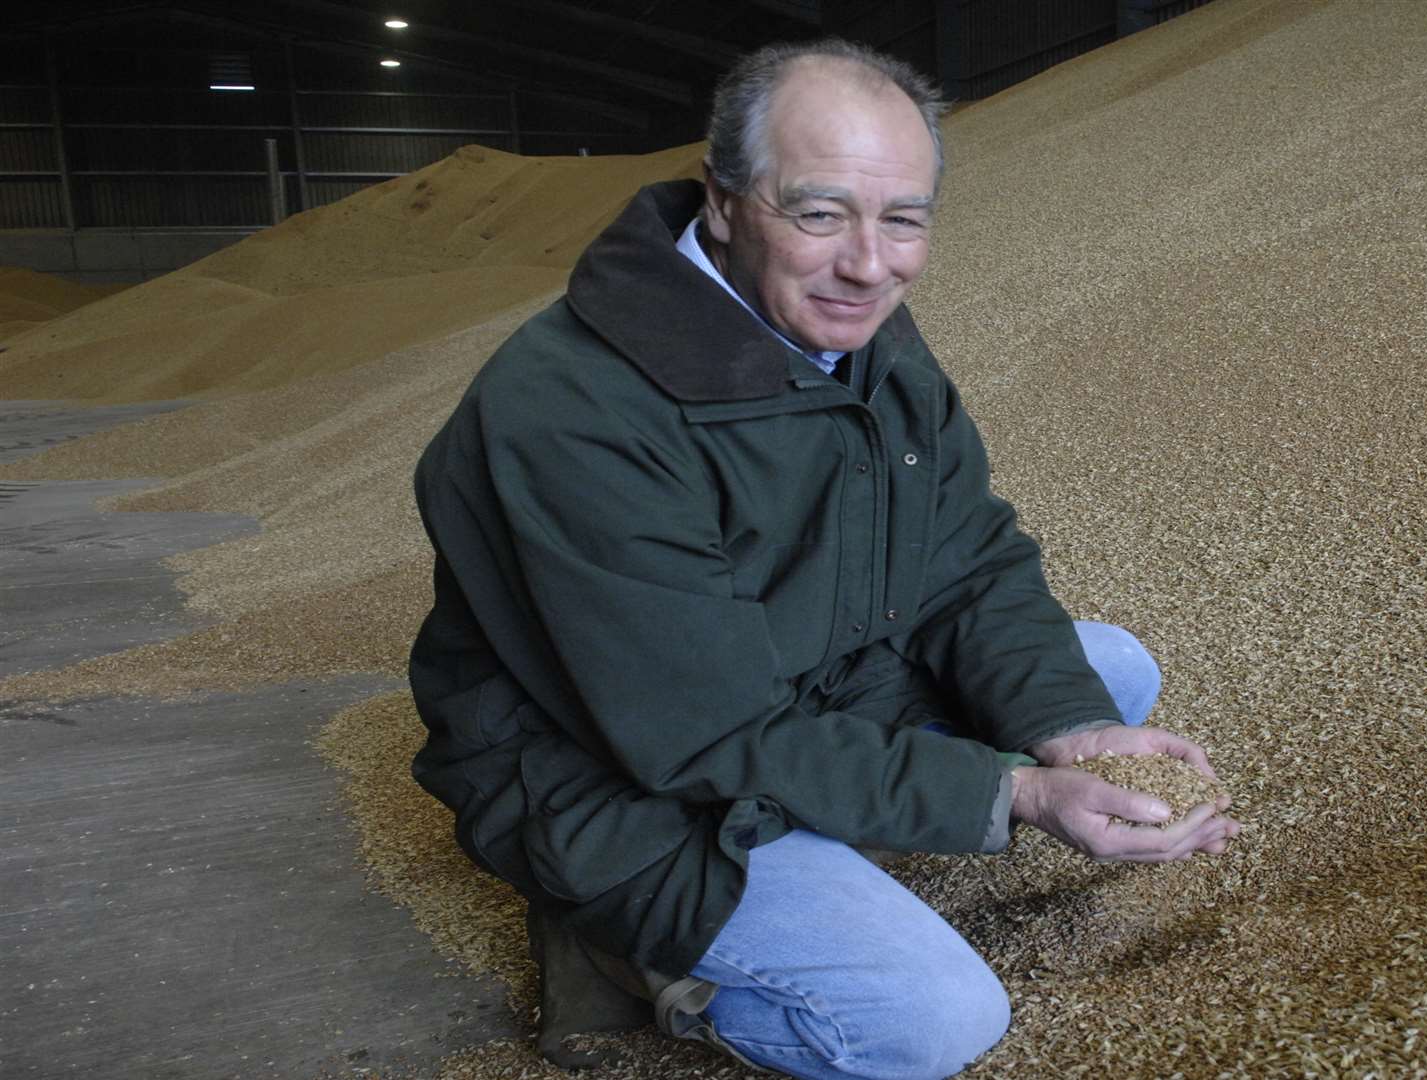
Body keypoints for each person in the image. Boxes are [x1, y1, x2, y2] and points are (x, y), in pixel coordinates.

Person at [408, 38, 1241, 1080]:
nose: (868, 261)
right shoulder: (574, 414)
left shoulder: (854, 328)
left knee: (1103, 675)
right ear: (721, 200)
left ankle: (844, 846)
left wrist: (1065, 733)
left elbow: (970, 559)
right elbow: (702, 731)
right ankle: (635, 952)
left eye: (904, 219)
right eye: (817, 212)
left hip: (807, 682)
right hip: (615, 779)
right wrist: (1011, 795)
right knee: (932, 1021)